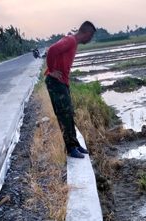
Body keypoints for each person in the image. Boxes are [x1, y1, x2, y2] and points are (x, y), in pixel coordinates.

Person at [44, 21, 96, 159]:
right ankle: (71, 149)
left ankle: (75, 144)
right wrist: (51, 70)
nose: (90, 40)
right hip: (56, 82)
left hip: (61, 83)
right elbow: (52, 50)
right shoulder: (70, 40)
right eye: (90, 37)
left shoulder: (72, 41)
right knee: (64, 115)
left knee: (69, 113)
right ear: (86, 33)